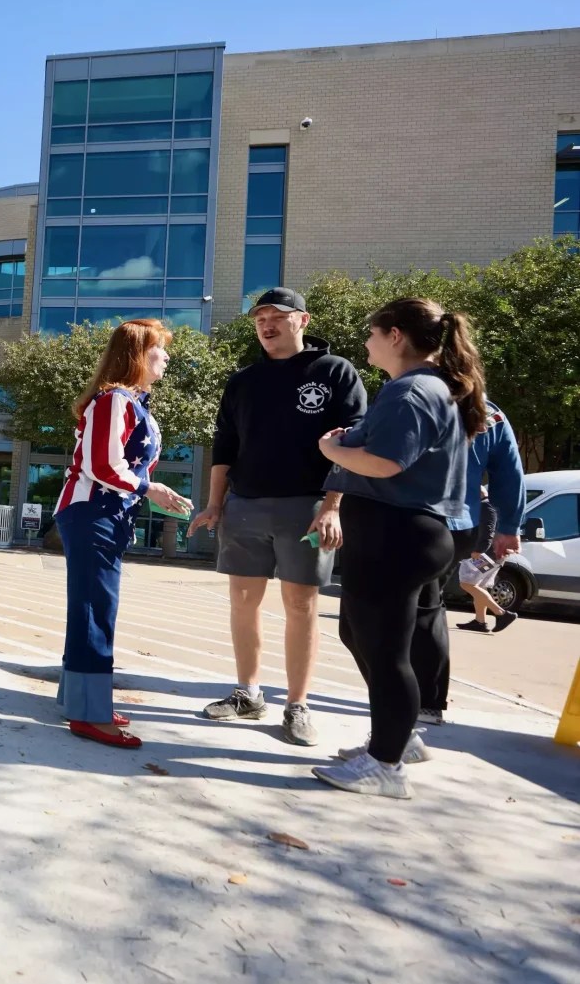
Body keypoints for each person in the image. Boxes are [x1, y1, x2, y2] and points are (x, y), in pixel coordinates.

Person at [311, 297, 485, 799]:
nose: (365, 342)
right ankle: (396, 738)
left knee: (386, 652)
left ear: (395, 336)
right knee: (360, 635)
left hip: (399, 535)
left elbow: (386, 463)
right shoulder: (420, 388)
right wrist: (352, 441)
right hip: (399, 535)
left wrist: (332, 449)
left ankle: (386, 765)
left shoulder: (411, 391)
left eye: (371, 333)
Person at [187, 287, 367, 746]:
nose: (266, 325)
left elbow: (349, 445)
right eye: (259, 318)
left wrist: (332, 506)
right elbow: (225, 447)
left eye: (277, 316)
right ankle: (248, 694)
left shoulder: (335, 372)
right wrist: (214, 503)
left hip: (308, 508)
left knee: (301, 606)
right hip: (244, 506)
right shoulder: (243, 381)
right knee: (242, 602)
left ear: (302, 321)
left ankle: (298, 705)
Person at [54, 319, 193, 749]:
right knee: (96, 610)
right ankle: (88, 715)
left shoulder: (129, 402)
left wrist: (147, 491)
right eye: (159, 349)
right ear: (138, 355)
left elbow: (111, 468)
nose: (166, 357)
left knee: (92, 608)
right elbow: (102, 466)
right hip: (93, 512)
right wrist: (151, 488)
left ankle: (83, 701)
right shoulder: (115, 400)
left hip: (102, 513)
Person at [410, 399, 524, 723]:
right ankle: (426, 701)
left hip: (419, 520)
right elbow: (509, 472)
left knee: (407, 609)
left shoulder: (419, 395)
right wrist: (509, 527)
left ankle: (417, 702)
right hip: (460, 526)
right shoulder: (490, 411)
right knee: (427, 606)